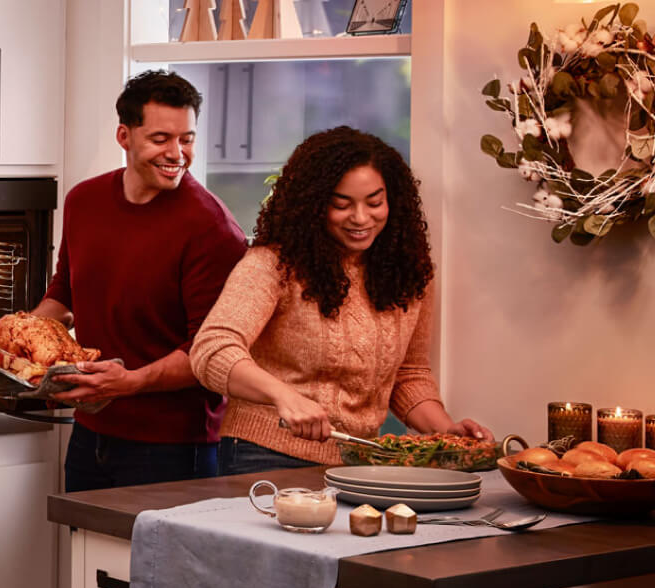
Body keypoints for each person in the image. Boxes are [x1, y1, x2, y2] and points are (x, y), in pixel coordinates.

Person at [189, 126, 491, 474]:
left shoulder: (410, 273)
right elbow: (212, 349)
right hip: (264, 454)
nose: (361, 218)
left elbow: (409, 375)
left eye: (375, 202)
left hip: (359, 463)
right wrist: (284, 397)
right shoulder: (273, 265)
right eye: (341, 205)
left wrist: (446, 431)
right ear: (313, 205)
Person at [37, 70, 252, 492]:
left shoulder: (213, 229)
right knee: (87, 555)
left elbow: (209, 350)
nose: (177, 153)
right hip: (90, 429)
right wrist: (15, 336)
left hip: (173, 447)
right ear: (124, 135)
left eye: (186, 139)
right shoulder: (84, 201)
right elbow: (64, 292)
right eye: (160, 139)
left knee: (156, 561)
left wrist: (131, 382)